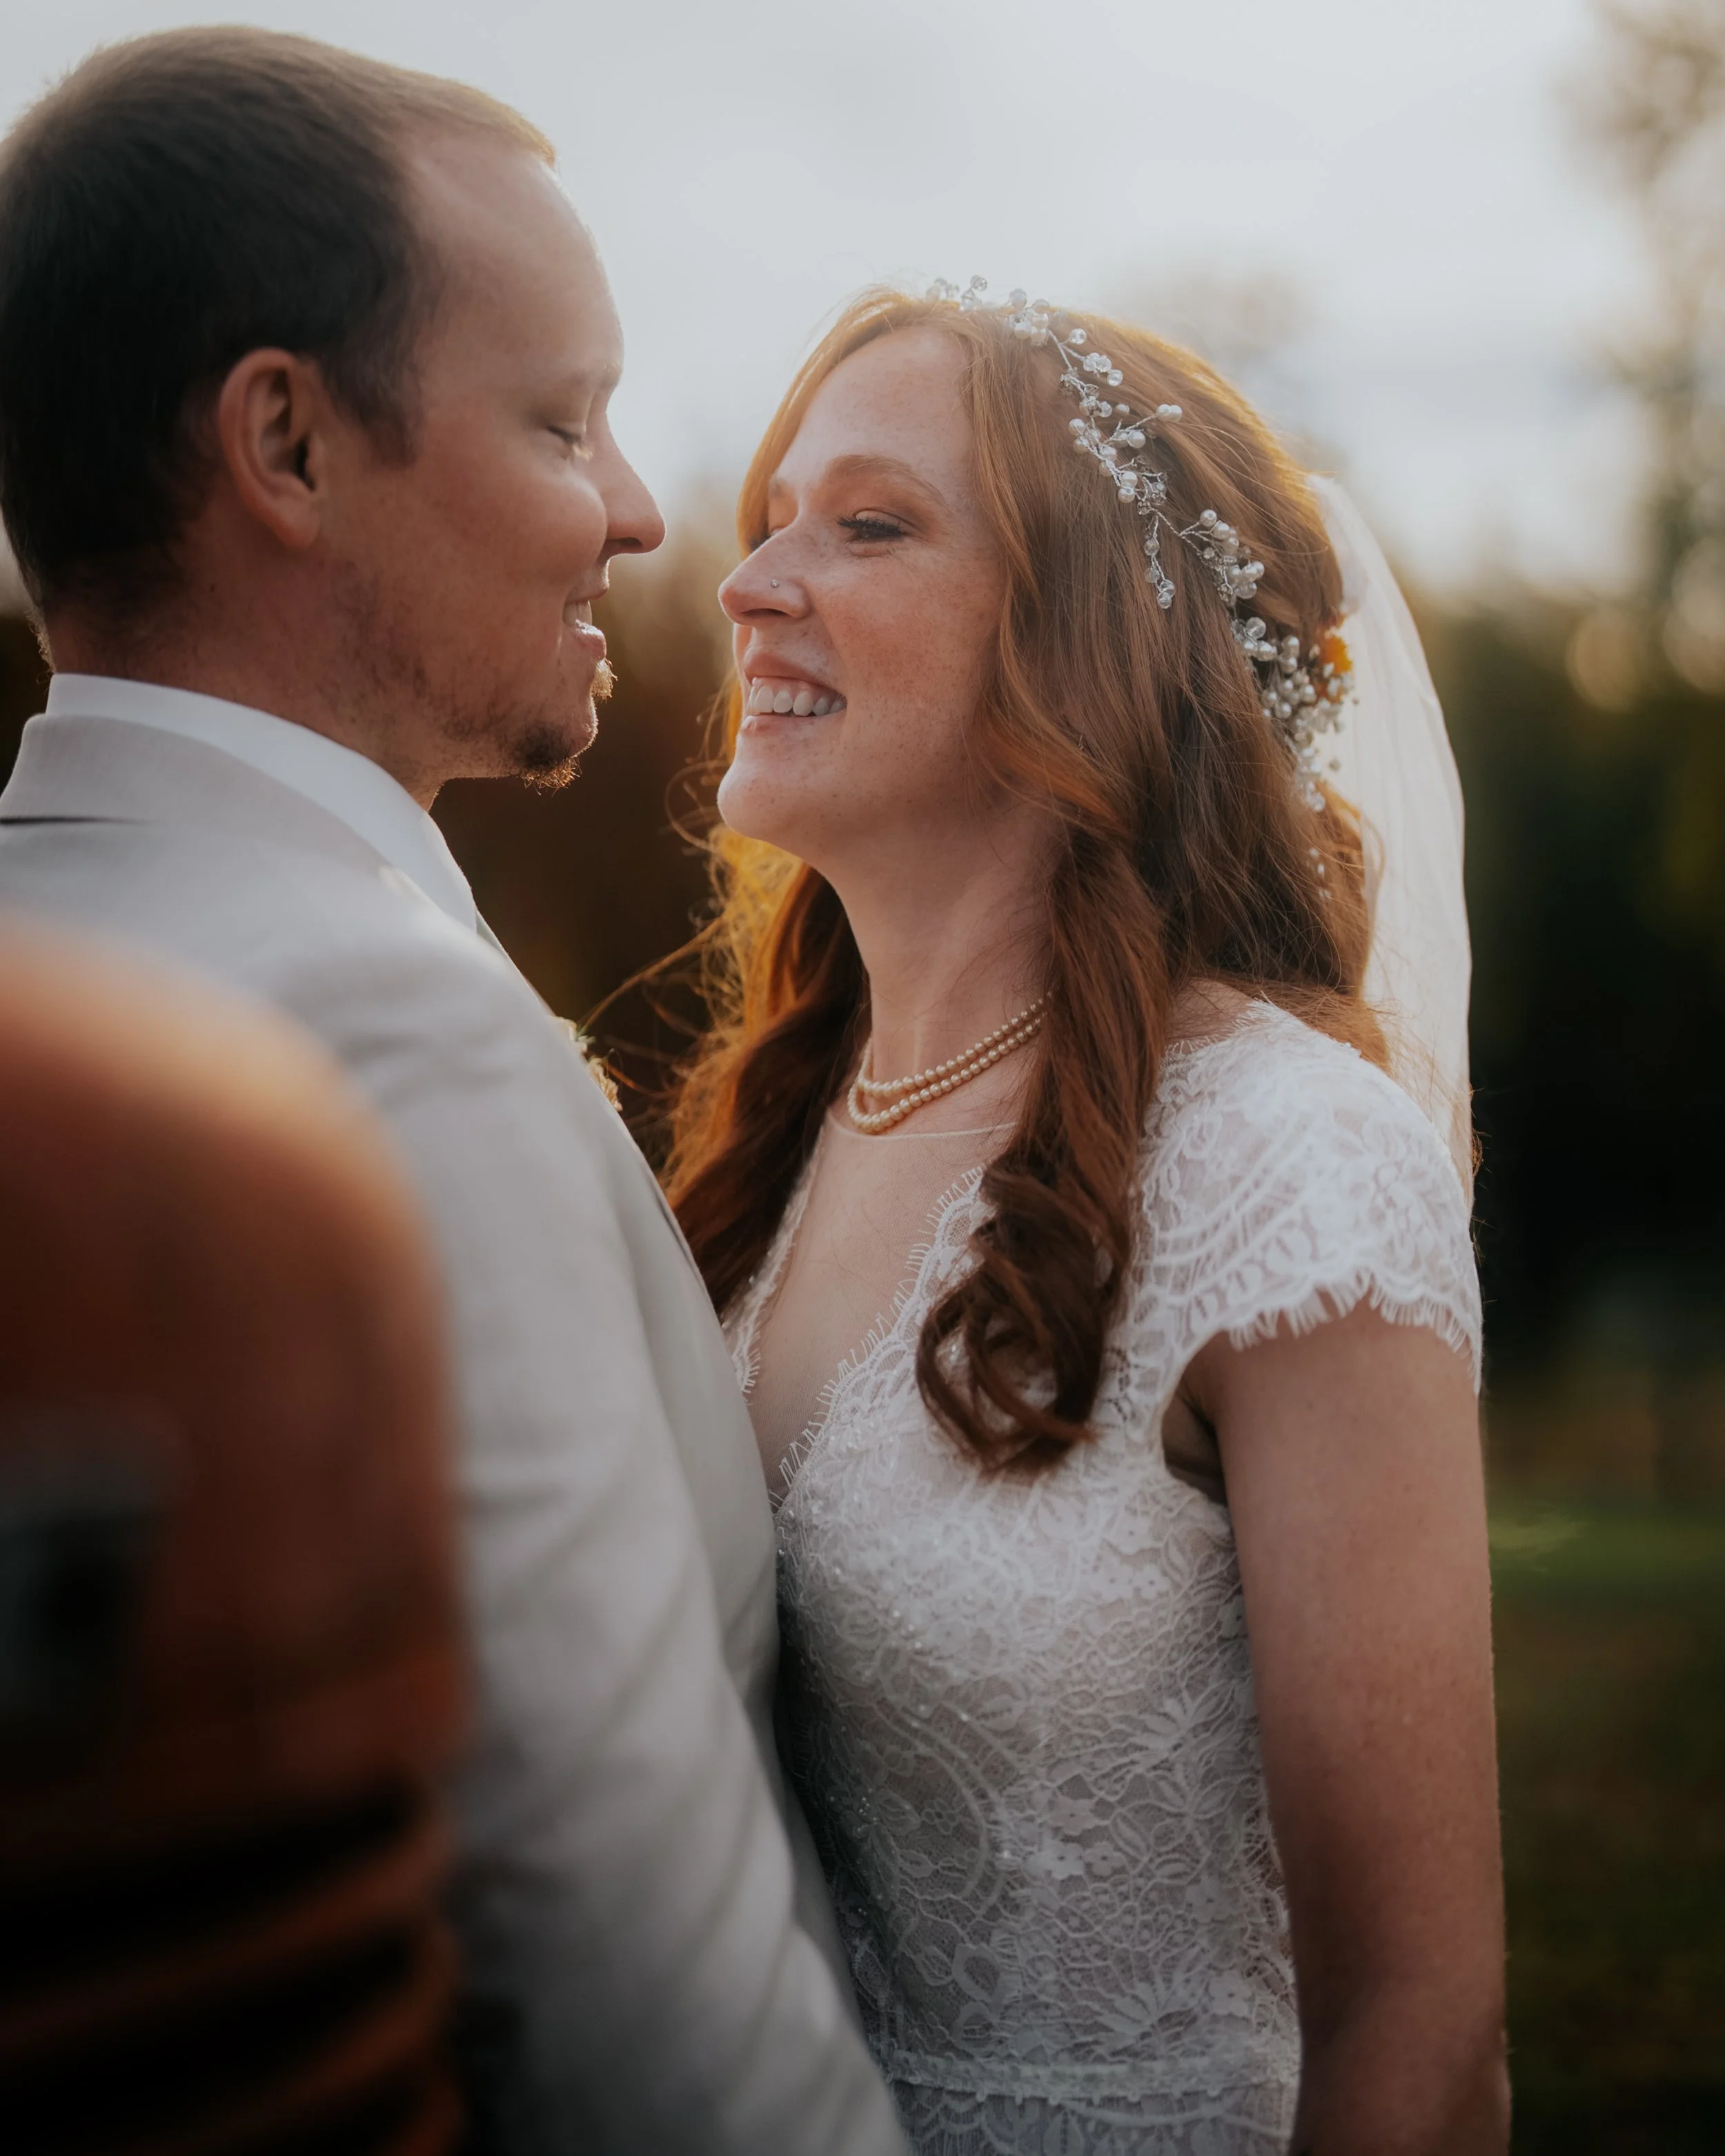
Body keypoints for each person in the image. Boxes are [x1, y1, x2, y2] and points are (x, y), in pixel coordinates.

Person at [0, 30, 904, 2156]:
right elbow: (632, 1966)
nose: (640, 510)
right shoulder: (381, 1031)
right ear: (288, 443)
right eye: (560, 416)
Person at [664, 283, 1510, 2153]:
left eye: (865, 523)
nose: (749, 584)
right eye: (764, 519)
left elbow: (1424, 2031)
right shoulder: (772, 1131)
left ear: (1091, 638)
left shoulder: (1284, 1164)